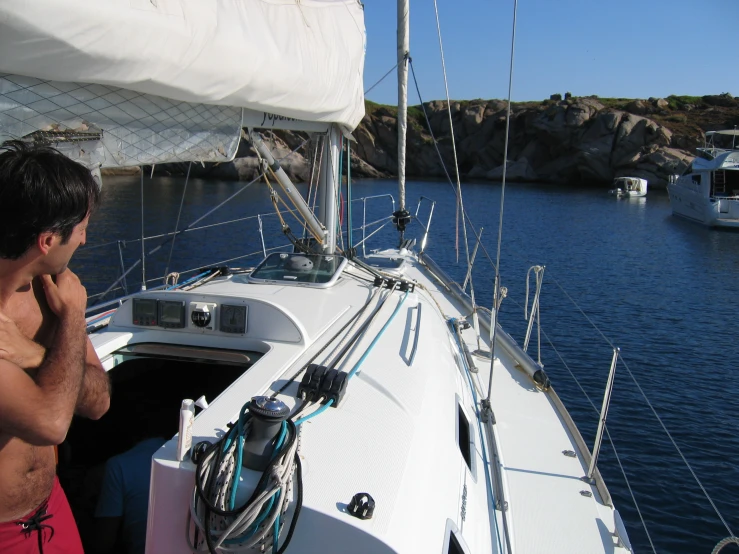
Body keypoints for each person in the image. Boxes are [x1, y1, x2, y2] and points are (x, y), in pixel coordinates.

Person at [0, 140, 111, 552]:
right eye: (81, 229)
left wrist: (38, 352)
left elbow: (98, 401)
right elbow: (51, 423)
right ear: (47, 241)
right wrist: (74, 316)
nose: (83, 241)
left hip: (50, 512)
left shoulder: (52, 297)